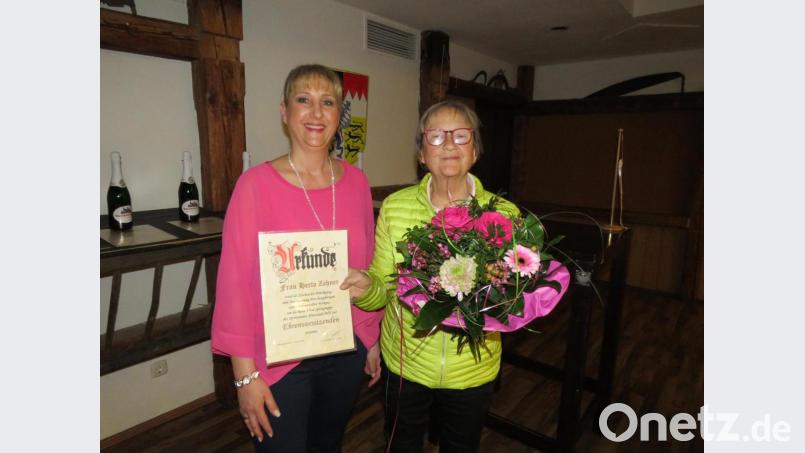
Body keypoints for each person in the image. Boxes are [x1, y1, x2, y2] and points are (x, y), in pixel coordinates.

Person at [211, 64, 383, 452]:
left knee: (328, 445)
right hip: (277, 362)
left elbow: (366, 264)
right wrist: (244, 378)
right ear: (284, 112)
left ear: (339, 115)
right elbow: (235, 284)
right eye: (303, 100)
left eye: (328, 102)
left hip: (344, 349)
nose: (316, 113)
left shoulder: (356, 183)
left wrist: (370, 339)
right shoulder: (254, 186)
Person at [340, 100, 520, 452]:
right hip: (406, 363)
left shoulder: (503, 215)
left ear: (476, 149)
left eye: (461, 135)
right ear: (421, 153)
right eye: (436, 136)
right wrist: (366, 288)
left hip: (473, 367)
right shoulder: (395, 207)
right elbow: (383, 287)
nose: (449, 144)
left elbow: (511, 298)